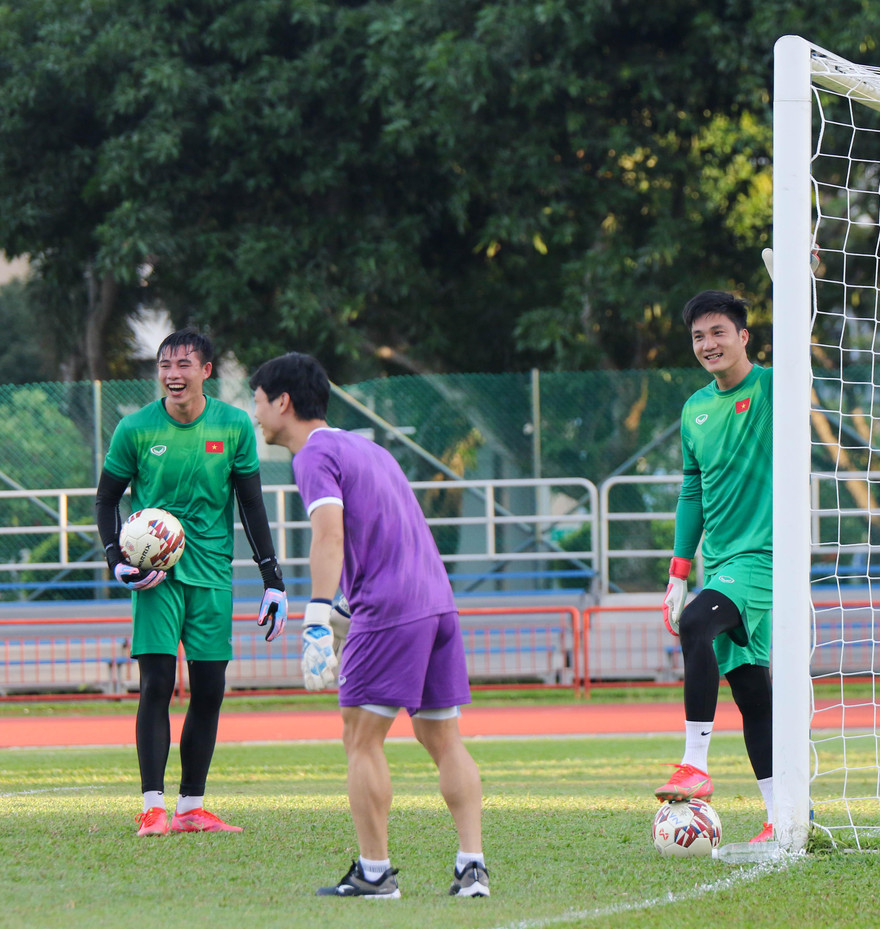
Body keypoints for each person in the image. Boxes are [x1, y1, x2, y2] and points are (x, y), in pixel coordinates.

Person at [249, 351, 489, 899]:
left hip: (389, 611)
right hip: (437, 603)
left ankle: (375, 874)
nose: (256, 414)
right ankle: (471, 868)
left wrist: (316, 617)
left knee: (360, 738)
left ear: (283, 402)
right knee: (443, 739)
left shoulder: (312, 454)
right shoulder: (368, 447)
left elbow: (329, 534)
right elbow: (391, 531)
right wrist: (346, 606)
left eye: (257, 402)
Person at [95, 328, 287, 837]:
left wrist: (273, 580)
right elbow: (106, 498)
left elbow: (250, 504)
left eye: (183, 364)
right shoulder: (135, 428)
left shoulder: (234, 425)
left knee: (209, 689)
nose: (172, 374)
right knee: (156, 684)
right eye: (164, 365)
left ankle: (191, 808)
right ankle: (153, 808)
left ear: (206, 371)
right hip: (155, 580)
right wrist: (116, 559)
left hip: (213, 576)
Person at [656, 290, 774, 844]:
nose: (708, 344)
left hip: (763, 558)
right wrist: (679, 572)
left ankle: (694, 764)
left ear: (743, 336)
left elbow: (802, 348)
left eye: (719, 332)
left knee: (696, 624)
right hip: (721, 562)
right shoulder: (694, 410)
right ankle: (781, 817)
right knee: (751, 691)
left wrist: (806, 282)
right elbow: (692, 492)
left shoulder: (771, 387)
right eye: (699, 336)